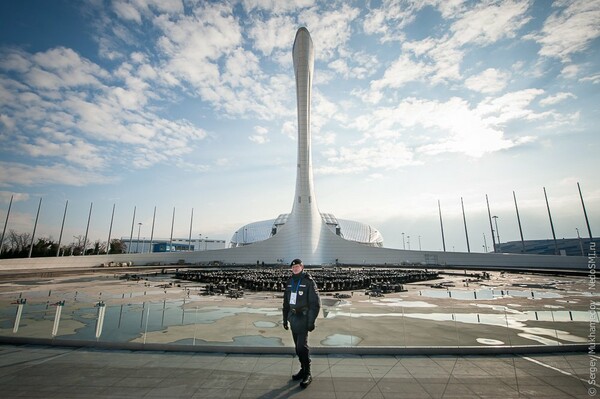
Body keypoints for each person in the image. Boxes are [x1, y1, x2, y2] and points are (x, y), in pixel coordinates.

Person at [282, 258, 321, 388]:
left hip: (303, 318)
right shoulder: (290, 282)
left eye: (297, 267)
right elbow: (286, 303)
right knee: (297, 347)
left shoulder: (308, 282)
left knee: (301, 347)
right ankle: (303, 369)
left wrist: (311, 321)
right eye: (293, 267)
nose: (295, 269)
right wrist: (284, 319)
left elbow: (315, 304)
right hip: (293, 317)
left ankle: (308, 373)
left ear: (302, 267)